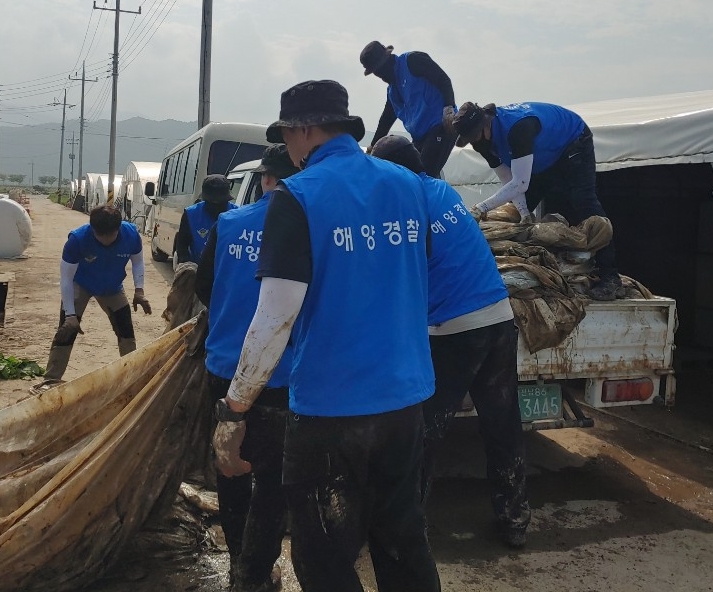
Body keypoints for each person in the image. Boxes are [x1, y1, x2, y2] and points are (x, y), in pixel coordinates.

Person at [211, 80, 441, 592]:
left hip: (331, 411)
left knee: (323, 558)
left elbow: (275, 316)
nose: (289, 149)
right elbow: (413, 271)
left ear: (305, 131)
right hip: (405, 402)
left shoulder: (298, 196)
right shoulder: (408, 185)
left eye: (286, 136)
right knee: (403, 543)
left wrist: (236, 407)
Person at [371, 134, 531, 548]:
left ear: (392, 172)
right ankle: (514, 518)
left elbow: (396, 272)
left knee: (425, 428)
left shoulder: (406, 203)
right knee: (502, 424)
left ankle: (408, 526)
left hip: (456, 330)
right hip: (498, 317)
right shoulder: (442, 191)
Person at [195, 145, 299, 592]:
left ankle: (239, 559)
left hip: (224, 366)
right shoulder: (305, 225)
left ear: (265, 180)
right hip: (280, 374)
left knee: (231, 466)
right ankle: (259, 570)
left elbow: (203, 285)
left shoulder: (229, 223)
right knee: (274, 478)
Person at [452, 101, 623, 300]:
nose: (474, 141)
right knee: (513, 215)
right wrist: (524, 213)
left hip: (572, 143)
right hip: (542, 160)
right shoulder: (481, 141)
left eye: (474, 136)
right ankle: (534, 270)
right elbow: (508, 179)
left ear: (485, 124)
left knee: (583, 201)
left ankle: (610, 276)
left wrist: (480, 208)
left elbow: (520, 183)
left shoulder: (518, 129)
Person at [42, 205, 151, 382]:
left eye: (110, 236)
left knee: (126, 329)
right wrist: (70, 315)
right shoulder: (77, 240)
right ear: (92, 229)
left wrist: (139, 290)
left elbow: (138, 262)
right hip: (80, 284)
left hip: (112, 287)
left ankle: (131, 377)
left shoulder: (131, 235)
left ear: (118, 228)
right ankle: (50, 380)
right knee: (66, 330)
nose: (105, 241)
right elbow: (66, 279)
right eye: (100, 236)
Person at [360, 40, 458, 178]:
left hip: (440, 125)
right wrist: (372, 147)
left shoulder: (412, 61)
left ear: (387, 60)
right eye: (375, 72)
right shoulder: (392, 91)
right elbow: (386, 120)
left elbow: (443, 79)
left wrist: (449, 107)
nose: (379, 75)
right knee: (412, 173)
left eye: (379, 69)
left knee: (424, 173)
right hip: (420, 137)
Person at [175, 174, 237, 264]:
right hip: (198, 267)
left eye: (220, 203)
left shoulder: (237, 215)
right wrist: (186, 263)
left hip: (227, 268)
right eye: (212, 203)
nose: (216, 207)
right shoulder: (191, 214)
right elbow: (182, 245)